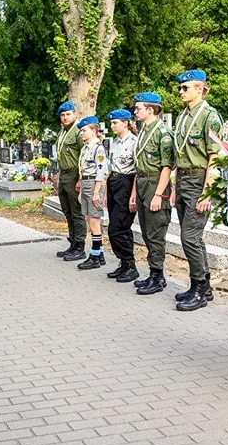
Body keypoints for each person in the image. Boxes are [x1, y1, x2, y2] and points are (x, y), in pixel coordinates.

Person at [172, 69, 223, 311]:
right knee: (192, 237)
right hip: (182, 178)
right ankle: (204, 285)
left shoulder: (209, 116)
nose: (181, 91)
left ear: (200, 89)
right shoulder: (184, 115)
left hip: (198, 180)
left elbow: (215, 157)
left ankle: (199, 288)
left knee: (189, 237)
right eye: (180, 88)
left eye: (186, 88)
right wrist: (174, 186)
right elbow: (180, 153)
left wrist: (207, 192)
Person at [132, 93, 174, 295]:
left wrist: (158, 194)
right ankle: (153, 273)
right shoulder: (143, 131)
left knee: (156, 232)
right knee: (148, 232)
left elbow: (167, 166)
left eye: (138, 108)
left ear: (151, 110)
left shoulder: (162, 132)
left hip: (155, 182)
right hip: (142, 181)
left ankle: (158, 276)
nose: (135, 111)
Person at [104, 108, 140, 283]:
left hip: (127, 183)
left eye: (115, 122)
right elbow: (111, 167)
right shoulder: (115, 142)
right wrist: (106, 191)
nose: (112, 126)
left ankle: (131, 265)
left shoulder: (134, 142)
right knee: (120, 227)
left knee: (116, 228)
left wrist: (133, 194)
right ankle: (124, 263)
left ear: (126, 123)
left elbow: (137, 171)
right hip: (114, 183)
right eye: (111, 123)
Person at [54, 101, 87, 261]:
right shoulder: (63, 131)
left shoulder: (78, 131)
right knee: (67, 211)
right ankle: (73, 242)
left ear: (75, 114)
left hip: (75, 174)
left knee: (76, 212)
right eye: (63, 115)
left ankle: (80, 246)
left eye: (68, 114)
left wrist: (81, 179)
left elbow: (84, 155)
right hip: (64, 174)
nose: (65, 117)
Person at [75, 115, 109, 269]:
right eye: (81, 131)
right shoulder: (85, 148)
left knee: (94, 222)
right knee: (90, 220)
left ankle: (94, 257)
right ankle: (99, 254)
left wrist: (96, 192)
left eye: (84, 130)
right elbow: (83, 169)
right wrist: (82, 189)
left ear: (94, 131)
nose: (82, 133)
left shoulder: (98, 148)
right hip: (86, 183)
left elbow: (101, 171)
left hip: (94, 184)